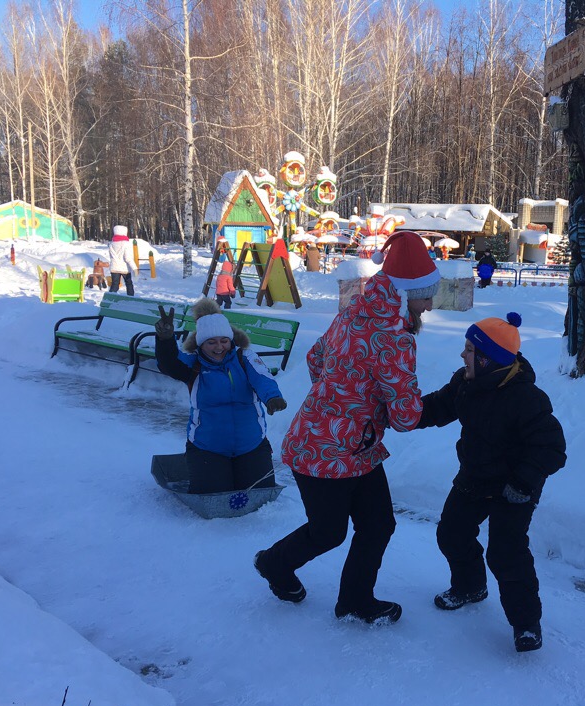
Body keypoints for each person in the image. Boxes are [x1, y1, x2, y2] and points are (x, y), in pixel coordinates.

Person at [255, 230, 441, 625]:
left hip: (347, 445)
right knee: (329, 532)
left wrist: (340, 399)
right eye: (425, 295)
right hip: (325, 452)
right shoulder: (394, 338)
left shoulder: (355, 311)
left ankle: (355, 600)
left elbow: (315, 358)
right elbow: (406, 417)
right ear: (405, 295)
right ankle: (274, 564)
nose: (430, 304)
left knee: (378, 524)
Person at [416, 313, 566, 653]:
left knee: (506, 552)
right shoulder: (466, 383)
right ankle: (470, 586)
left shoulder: (526, 398)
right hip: (476, 474)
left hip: (516, 485)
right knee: (451, 534)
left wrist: (524, 483)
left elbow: (552, 449)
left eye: (469, 350)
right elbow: (437, 407)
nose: (462, 355)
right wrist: (401, 414)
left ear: (488, 359)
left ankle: (526, 623)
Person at [154, 297, 287, 494]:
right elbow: (169, 364)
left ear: (230, 340)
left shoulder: (244, 358)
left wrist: (272, 397)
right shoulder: (193, 364)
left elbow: (262, 378)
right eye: (211, 342)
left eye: (224, 341)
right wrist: (165, 340)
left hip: (251, 444)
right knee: (213, 496)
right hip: (208, 446)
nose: (219, 347)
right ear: (201, 344)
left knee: (259, 494)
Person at [108, 225, 137, 296]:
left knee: (115, 284)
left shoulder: (111, 244)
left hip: (114, 267)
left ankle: (110, 297)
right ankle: (131, 298)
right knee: (128, 283)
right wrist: (134, 268)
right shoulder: (126, 244)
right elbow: (128, 258)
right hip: (125, 268)